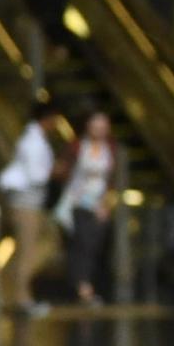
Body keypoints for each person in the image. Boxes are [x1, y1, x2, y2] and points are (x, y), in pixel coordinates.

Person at [0, 107, 56, 314]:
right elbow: (36, 174)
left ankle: (18, 292)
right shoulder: (32, 142)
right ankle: (21, 298)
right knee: (27, 251)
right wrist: (54, 170)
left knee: (43, 244)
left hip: (32, 203)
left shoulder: (35, 140)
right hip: (26, 203)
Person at [57, 110, 118, 304]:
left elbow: (112, 180)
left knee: (95, 245)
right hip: (77, 202)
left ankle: (88, 283)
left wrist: (107, 204)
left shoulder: (111, 149)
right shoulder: (77, 147)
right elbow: (64, 171)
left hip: (99, 204)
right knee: (82, 243)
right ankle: (82, 287)